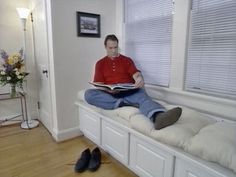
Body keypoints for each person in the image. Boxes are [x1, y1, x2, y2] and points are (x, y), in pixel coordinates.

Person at [85, 34, 182, 130]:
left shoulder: (126, 60)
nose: (114, 51)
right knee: (89, 94)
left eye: (115, 47)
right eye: (110, 48)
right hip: (111, 94)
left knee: (143, 98)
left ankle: (159, 116)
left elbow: (136, 74)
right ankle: (122, 104)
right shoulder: (100, 64)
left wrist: (139, 79)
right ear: (105, 47)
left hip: (129, 91)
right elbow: (100, 85)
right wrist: (108, 90)